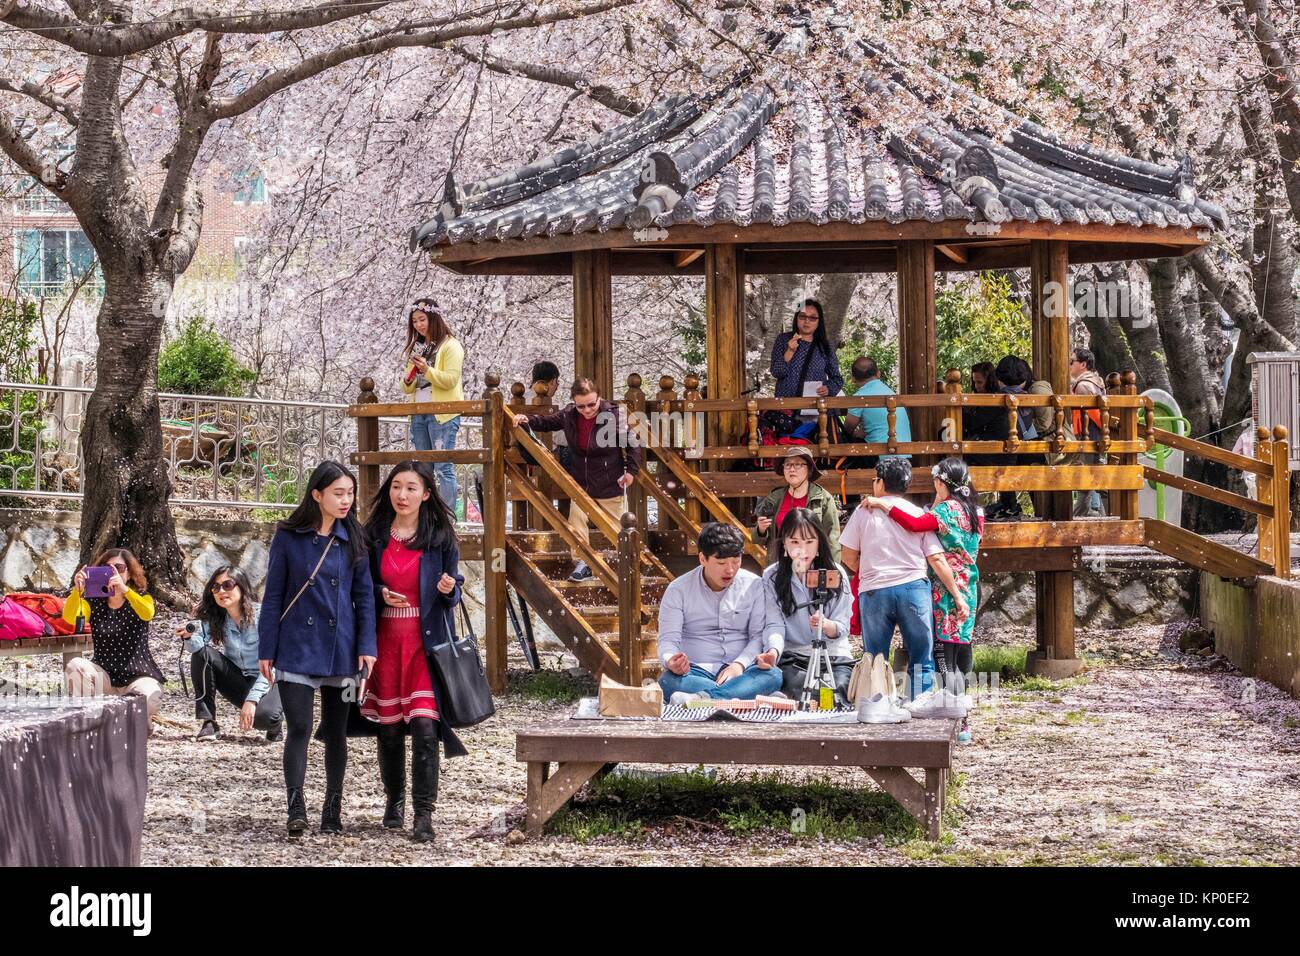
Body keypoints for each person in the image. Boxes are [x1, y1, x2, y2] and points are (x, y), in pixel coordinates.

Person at [259, 461, 377, 837]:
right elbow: (273, 596)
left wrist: (367, 646)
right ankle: (296, 808)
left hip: (342, 651)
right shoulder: (287, 537)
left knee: (336, 732)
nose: (346, 500)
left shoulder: (355, 538)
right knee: (300, 727)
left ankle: (332, 808)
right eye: (338, 493)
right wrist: (267, 648)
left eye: (350, 493)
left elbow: (365, 597)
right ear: (317, 494)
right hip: (296, 647)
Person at [363, 461, 467, 843]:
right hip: (386, 643)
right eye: (396, 486)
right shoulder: (373, 535)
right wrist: (379, 593)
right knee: (389, 729)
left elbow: (454, 589)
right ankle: (394, 801)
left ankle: (424, 814)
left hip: (425, 645)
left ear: (426, 494)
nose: (401, 494)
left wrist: (448, 589)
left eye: (410, 488)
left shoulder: (441, 538)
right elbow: (362, 587)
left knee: (425, 726)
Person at [839, 457, 965, 701]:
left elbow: (848, 555)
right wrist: (958, 595)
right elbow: (936, 558)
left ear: (880, 483)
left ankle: (876, 706)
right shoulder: (917, 512)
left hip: (875, 589)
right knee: (922, 658)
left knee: (875, 659)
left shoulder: (864, 511)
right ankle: (919, 705)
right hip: (913, 588)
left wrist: (869, 569)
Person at [866, 457, 980, 694]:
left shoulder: (945, 512)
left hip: (946, 586)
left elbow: (915, 524)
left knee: (943, 652)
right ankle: (963, 705)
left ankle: (951, 703)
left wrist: (884, 505)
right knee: (962, 644)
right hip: (969, 583)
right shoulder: (974, 511)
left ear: (940, 483)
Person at [512, 377, 641, 582]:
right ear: (574, 402)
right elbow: (547, 422)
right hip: (581, 482)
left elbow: (632, 443)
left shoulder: (613, 414)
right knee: (576, 520)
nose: (587, 410)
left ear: (599, 399)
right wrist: (527, 419)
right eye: (581, 406)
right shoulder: (570, 414)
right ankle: (583, 562)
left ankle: (629, 565)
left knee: (619, 529)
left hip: (609, 481)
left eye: (591, 404)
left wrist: (631, 471)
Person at [657, 523, 783, 704]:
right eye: (721, 563)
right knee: (668, 681)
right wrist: (671, 661)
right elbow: (668, 640)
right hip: (696, 670)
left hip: (742, 670)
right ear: (703, 559)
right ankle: (744, 696)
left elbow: (757, 636)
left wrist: (739, 665)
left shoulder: (754, 585)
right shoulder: (678, 589)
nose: (730, 570)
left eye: (736, 561)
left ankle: (706, 698)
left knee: (774, 675)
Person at [179, 566, 283, 742]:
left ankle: (275, 725)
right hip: (240, 679)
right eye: (216, 587)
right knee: (203, 654)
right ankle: (209, 722)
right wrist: (189, 636)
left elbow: (273, 665)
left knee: (265, 718)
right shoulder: (218, 618)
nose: (221, 591)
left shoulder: (263, 616)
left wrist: (252, 700)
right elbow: (198, 649)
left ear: (241, 587)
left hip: (270, 679)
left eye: (227, 585)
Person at [761, 509, 855, 703]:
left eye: (809, 542)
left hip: (833, 655)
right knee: (798, 687)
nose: (802, 549)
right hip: (793, 656)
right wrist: (773, 650)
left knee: (834, 692)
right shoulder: (771, 577)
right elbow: (774, 624)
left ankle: (826, 708)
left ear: (819, 543)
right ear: (784, 543)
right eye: (795, 542)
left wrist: (828, 626)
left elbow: (843, 624)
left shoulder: (835, 573)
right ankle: (805, 705)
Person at [62, 549, 164, 724]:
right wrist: (77, 591)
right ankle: (93, 722)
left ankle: (133, 723)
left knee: (148, 698)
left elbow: (148, 613)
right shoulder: (93, 602)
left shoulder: (141, 598)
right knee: (75, 665)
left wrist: (125, 590)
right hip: (105, 677)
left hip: (138, 676)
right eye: (107, 568)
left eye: (119, 568)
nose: (113, 572)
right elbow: (70, 618)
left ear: (129, 574)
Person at [401, 297, 465, 511]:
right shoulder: (418, 348)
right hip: (419, 412)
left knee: (443, 467)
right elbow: (406, 386)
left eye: (422, 319)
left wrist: (427, 370)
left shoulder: (451, 345)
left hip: (442, 414)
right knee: (423, 469)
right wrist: (408, 380)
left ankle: (446, 518)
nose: (418, 325)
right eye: (414, 321)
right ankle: (424, 516)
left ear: (434, 318)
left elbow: (451, 380)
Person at [754, 447, 840, 564]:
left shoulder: (823, 498)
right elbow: (759, 539)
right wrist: (761, 530)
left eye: (798, 464)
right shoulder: (773, 498)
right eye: (787, 465)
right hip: (780, 564)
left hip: (813, 565)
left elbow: (832, 539)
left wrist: (833, 568)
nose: (792, 469)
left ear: (809, 469)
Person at [769, 299, 844, 399]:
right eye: (802, 316)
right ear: (796, 318)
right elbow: (777, 372)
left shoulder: (825, 345)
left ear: (819, 321)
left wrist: (828, 388)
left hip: (814, 405)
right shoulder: (783, 339)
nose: (807, 321)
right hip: (785, 405)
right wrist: (790, 351)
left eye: (813, 318)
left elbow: (837, 379)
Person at [845, 355, 911, 455]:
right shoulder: (891, 394)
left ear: (853, 378)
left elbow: (847, 430)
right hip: (905, 455)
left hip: (879, 456)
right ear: (878, 374)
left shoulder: (859, 397)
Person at [1070, 347, 1108, 517]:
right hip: (1096, 435)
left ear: (1083, 364)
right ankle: (1098, 515)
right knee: (1091, 478)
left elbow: (1096, 415)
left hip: (1090, 435)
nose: (1070, 365)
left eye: (1072, 362)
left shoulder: (1083, 386)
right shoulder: (1096, 382)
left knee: (1087, 479)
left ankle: (1078, 515)